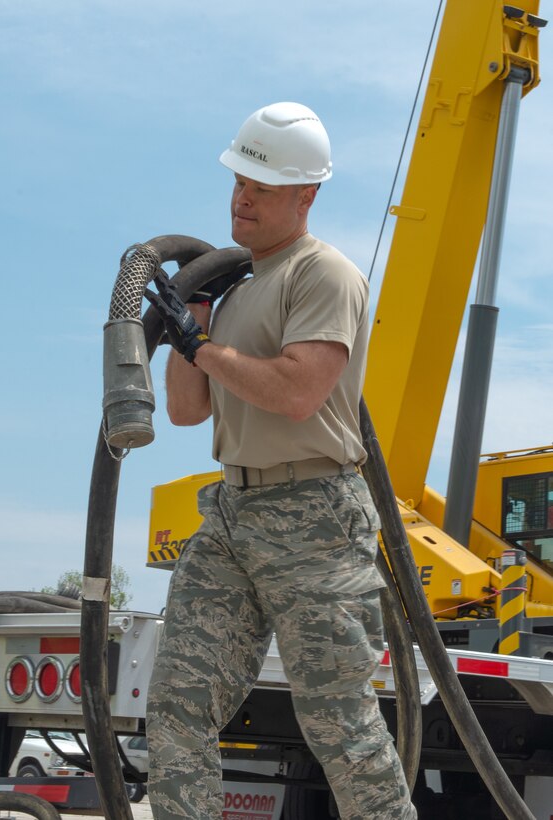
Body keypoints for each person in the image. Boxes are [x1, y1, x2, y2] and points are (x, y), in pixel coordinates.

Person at [146, 101, 417, 819]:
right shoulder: (232, 290)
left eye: (262, 186)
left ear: (306, 195)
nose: (242, 197)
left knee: (340, 726)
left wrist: (203, 348)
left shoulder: (323, 275)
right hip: (233, 513)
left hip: (314, 520)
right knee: (176, 708)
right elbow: (186, 410)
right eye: (240, 180)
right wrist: (192, 325)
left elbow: (299, 392)